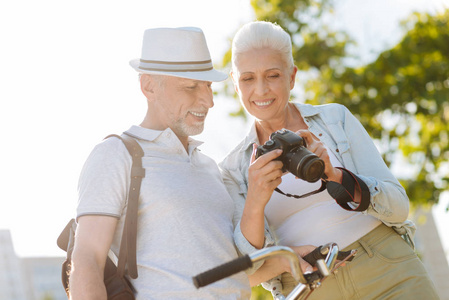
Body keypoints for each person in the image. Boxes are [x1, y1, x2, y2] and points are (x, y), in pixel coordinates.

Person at [219, 21, 439, 299]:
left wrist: (336, 176)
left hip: (385, 268)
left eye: (272, 75)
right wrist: (256, 198)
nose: (260, 90)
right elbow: (247, 272)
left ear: (292, 77)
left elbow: (399, 208)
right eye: (248, 78)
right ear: (235, 84)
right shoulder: (232, 169)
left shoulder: (335, 118)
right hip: (308, 287)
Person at [69, 27, 251, 300]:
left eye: (208, 86)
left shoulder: (211, 168)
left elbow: (224, 274)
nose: (209, 101)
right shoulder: (117, 155)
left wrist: (285, 259)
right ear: (149, 86)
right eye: (191, 86)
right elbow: (87, 259)